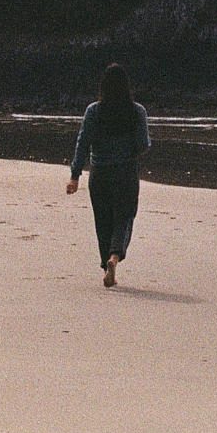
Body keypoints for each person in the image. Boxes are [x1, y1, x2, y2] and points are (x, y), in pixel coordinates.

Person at [66, 63, 151, 287]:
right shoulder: (137, 111)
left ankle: (106, 265)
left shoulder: (93, 111)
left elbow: (82, 144)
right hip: (125, 172)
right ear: (127, 87)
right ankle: (114, 257)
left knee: (102, 221)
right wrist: (128, 149)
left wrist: (75, 175)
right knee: (124, 217)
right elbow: (144, 144)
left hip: (100, 173)